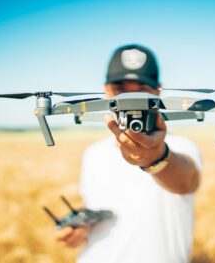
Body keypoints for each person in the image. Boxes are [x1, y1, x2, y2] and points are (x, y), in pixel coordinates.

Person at [56, 44, 202, 263]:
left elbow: (185, 181)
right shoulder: (93, 154)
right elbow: (97, 207)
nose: (131, 98)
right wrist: (80, 230)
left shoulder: (182, 147)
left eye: (141, 88)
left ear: (157, 91)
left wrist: (158, 157)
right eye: (121, 89)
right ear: (106, 91)